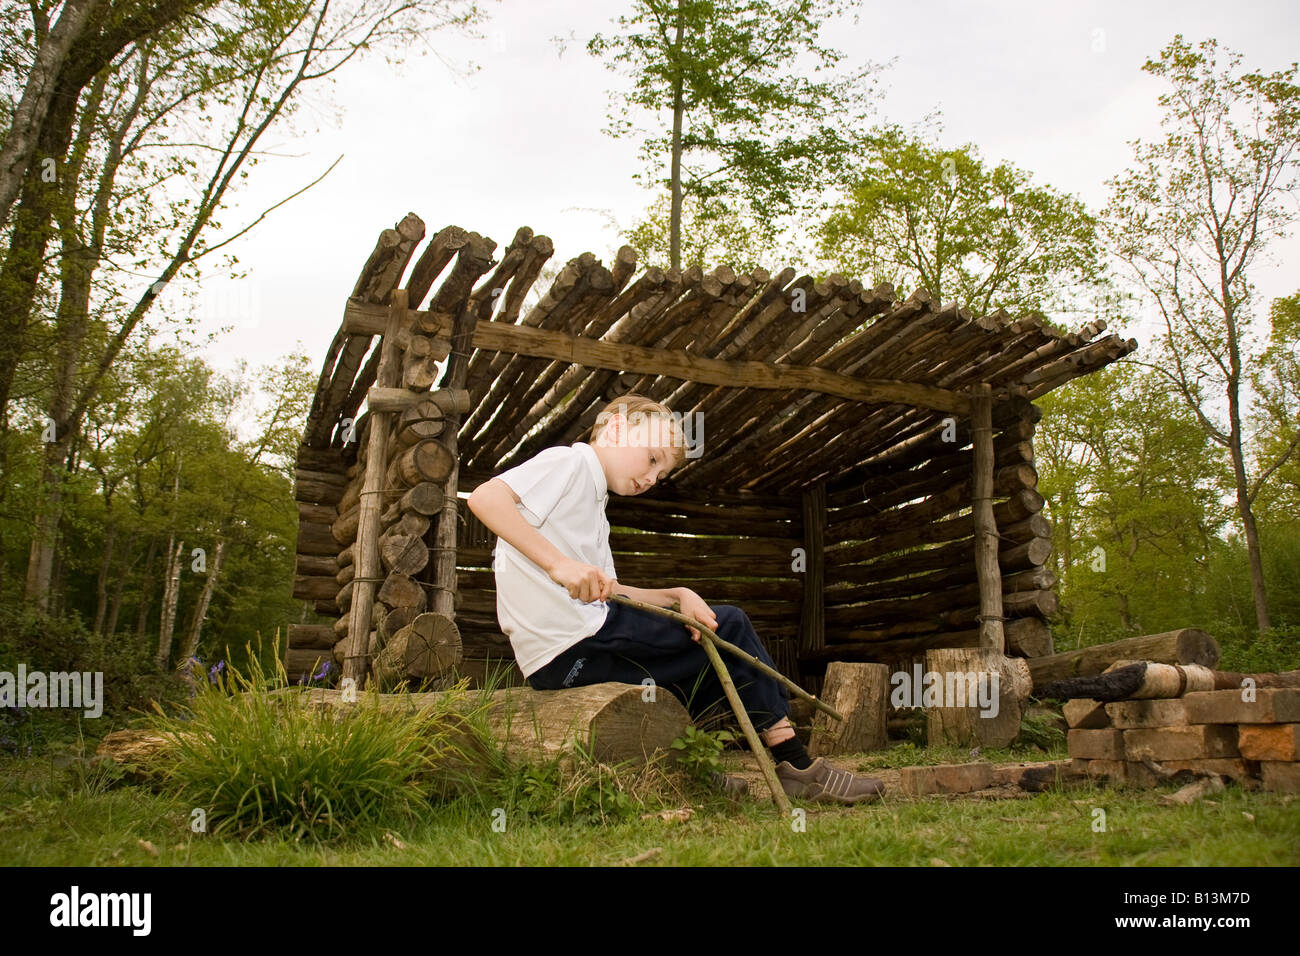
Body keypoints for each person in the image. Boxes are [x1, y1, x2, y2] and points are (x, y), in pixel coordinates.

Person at [466, 393, 883, 805]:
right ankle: (796, 765)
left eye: (661, 475)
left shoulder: (593, 502)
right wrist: (559, 565)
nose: (651, 478)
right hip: (577, 643)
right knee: (729, 626)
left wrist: (677, 595)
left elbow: (612, 593)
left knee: (694, 660)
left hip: (570, 657)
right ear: (614, 427)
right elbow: (485, 499)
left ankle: (689, 770)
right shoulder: (571, 463)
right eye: (651, 458)